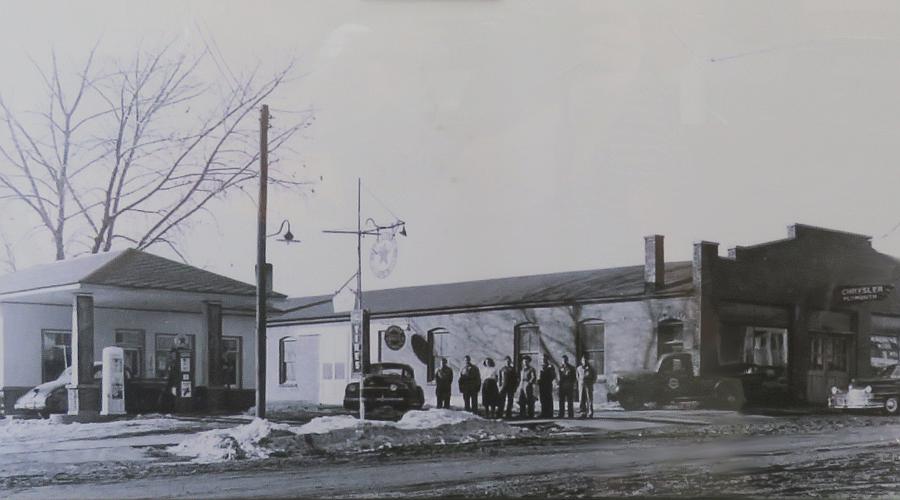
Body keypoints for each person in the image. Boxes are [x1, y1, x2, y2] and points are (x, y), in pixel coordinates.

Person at [557, 354, 576, 418]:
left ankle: (570, 414)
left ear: (567, 360)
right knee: (561, 401)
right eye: (563, 360)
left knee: (570, 401)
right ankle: (561, 414)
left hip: (569, 386)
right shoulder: (560, 368)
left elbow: (574, 378)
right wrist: (558, 384)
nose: (564, 362)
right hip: (562, 387)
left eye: (565, 360)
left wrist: (571, 383)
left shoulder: (572, 368)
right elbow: (558, 378)